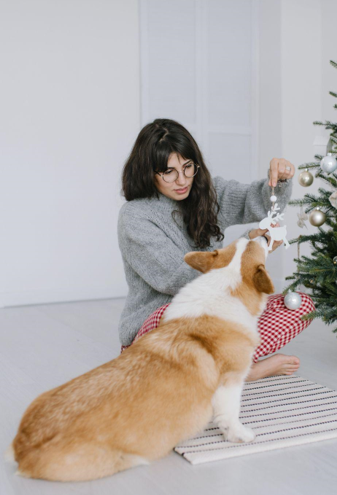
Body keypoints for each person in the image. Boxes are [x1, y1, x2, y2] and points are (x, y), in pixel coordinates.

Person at [117, 119, 315, 381]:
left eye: (188, 167)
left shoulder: (207, 192)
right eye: (169, 172)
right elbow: (177, 279)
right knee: (181, 314)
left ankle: (220, 370)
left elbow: (256, 202)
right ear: (148, 172)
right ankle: (243, 371)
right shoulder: (135, 216)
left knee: (300, 305)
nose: (182, 180)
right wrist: (250, 246)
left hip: (217, 319)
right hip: (160, 331)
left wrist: (278, 181)